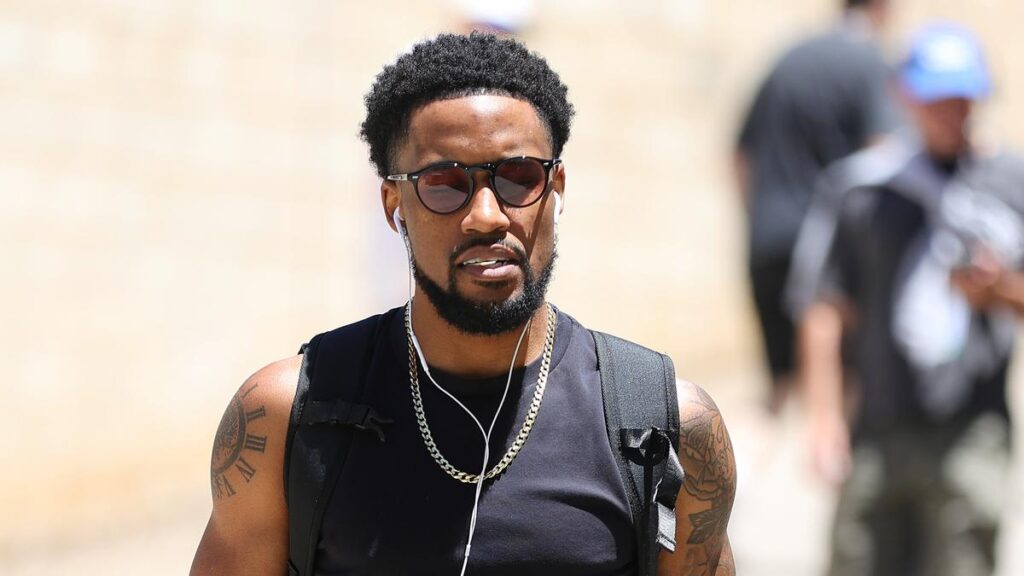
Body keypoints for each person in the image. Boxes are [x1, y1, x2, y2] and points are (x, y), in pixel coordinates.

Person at [190, 33, 736, 576]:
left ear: (557, 188)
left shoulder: (662, 427)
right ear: (394, 204)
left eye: (519, 177)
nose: (486, 216)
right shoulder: (290, 415)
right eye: (445, 183)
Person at [789, 23, 1023, 576]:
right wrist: (824, 420)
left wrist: (1000, 291)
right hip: (879, 424)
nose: (950, 113)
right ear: (906, 97)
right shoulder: (865, 190)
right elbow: (824, 306)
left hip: (972, 427)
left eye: (960, 100)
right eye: (936, 100)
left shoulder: (1009, 183)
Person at [734, 0, 899, 413]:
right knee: (840, 394)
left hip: (768, 241)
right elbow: (884, 155)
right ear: (882, 8)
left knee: (780, 391)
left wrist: (760, 218)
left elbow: (739, 156)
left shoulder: (787, 60)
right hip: (830, 255)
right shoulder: (870, 63)